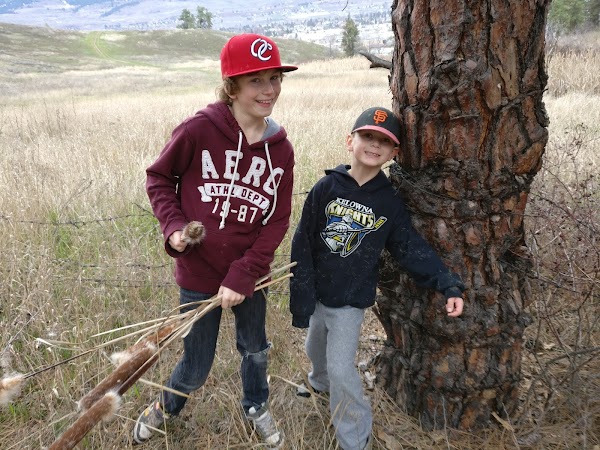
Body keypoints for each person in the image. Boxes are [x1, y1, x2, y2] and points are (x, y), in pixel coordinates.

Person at [133, 33, 297, 449]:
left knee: (255, 349)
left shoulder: (281, 150)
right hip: (199, 274)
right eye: (256, 80)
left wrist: (245, 273)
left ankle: (256, 405)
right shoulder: (198, 130)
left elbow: (277, 219)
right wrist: (174, 226)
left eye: (274, 78)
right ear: (231, 86)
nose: (269, 90)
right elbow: (158, 178)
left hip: (251, 275)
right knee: (196, 364)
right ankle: (166, 406)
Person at [289, 107, 465, 450]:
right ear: (349, 141)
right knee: (314, 349)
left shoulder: (388, 202)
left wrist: (447, 282)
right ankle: (319, 384)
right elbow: (303, 241)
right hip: (318, 294)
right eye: (367, 136)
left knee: (342, 369)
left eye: (383, 141)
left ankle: (355, 438)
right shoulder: (326, 187)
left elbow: (409, 247)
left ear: (394, 153)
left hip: (350, 302)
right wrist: (301, 294)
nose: (374, 145)